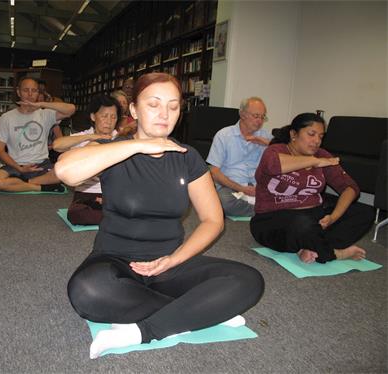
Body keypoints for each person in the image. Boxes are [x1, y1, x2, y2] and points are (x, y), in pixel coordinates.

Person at [55, 73, 264, 359]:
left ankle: (145, 330)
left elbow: (213, 220)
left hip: (169, 261)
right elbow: (65, 171)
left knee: (248, 280)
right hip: (114, 260)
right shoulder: (112, 150)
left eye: (173, 106)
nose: (165, 114)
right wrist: (138, 145)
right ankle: (199, 313)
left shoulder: (186, 155)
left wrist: (174, 259)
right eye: (153, 104)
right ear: (133, 110)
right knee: (87, 291)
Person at [250, 113, 374, 264]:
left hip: (314, 216)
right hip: (273, 219)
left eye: (321, 136)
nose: (317, 141)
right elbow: (273, 164)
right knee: (302, 225)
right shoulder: (275, 151)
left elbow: (350, 188)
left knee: (364, 213)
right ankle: (332, 253)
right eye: (311, 134)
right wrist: (315, 162)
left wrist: (333, 217)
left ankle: (310, 246)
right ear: (293, 134)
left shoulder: (322, 155)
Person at [0, 77, 75, 193]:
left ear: (38, 93)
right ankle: (39, 186)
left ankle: (23, 183)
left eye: (34, 91)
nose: (30, 94)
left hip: (41, 165)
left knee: (65, 173)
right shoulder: (6, 118)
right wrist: (19, 168)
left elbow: (71, 109)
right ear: (18, 92)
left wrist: (41, 104)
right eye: (26, 90)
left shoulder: (45, 114)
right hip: (16, 165)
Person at [53, 95, 120, 225]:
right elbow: (57, 145)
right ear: (93, 117)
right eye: (104, 116)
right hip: (87, 193)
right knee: (75, 214)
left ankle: (114, 214)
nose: (109, 121)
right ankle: (118, 217)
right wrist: (91, 137)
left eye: (113, 117)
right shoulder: (84, 136)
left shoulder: (121, 139)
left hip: (115, 194)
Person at [206, 97, 271, 217]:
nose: (260, 121)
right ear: (242, 114)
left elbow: (286, 155)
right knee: (223, 202)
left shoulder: (266, 136)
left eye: (263, 117)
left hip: (259, 186)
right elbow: (214, 171)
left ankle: (261, 208)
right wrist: (242, 188)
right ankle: (263, 210)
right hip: (232, 186)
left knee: (287, 197)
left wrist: (267, 144)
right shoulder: (224, 135)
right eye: (256, 116)